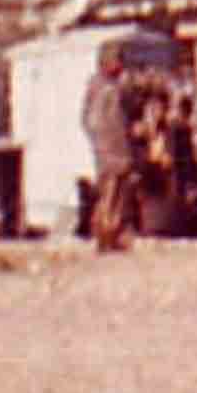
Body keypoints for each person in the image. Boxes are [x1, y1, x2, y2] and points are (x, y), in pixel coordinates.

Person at [80, 45, 138, 253]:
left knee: (119, 194)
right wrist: (103, 144)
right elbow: (93, 121)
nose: (120, 65)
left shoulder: (113, 86)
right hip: (109, 149)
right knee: (110, 193)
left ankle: (114, 234)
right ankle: (105, 235)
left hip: (118, 147)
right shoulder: (101, 88)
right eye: (117, 60)